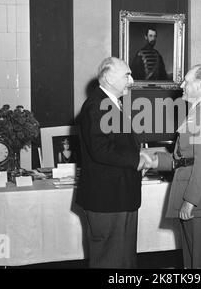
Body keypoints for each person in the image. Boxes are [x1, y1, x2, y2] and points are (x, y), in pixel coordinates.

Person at [145, 64, 201, 268]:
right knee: (194, 260)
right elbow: (185, 158)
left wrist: (190, 200)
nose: (182, 85)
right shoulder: (199, 111)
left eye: (187, 81)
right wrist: (153, 161)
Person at [75, 57, 151, 268]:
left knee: (123, 260)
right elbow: (100, 150)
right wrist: (136, 160)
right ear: (108, 77)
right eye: (127, 75)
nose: (132, 80)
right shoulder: (97, 105)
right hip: (108, 199)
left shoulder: (110, 103)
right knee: (110, 260)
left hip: (119, 196)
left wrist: (139, 156)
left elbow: (115, 145)